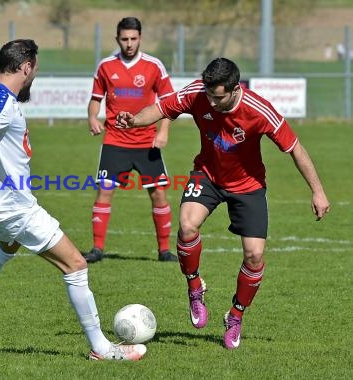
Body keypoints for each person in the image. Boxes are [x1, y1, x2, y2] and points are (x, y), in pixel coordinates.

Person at [0, 39, 146, 361]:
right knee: (75, 264)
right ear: (26, 67)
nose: (35, 76)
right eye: (35, 70)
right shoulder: (1, 100)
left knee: (7, 248)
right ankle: (102, 348)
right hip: (13, 206)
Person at [115, 57, 330, 349]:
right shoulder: (198, 93)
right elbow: (161, 107)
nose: (212, 104)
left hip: (248, 186)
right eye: (209, 96)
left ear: (233, 89)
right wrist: (134, 120)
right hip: (207, 175)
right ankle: (195, 288)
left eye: (218, 98)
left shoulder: (259, 110)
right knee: (187, 225)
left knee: (254, 256)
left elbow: (295, 148)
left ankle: (235, 316)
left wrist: (317, 191)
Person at [83, 17, 177, 263]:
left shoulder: (154, 66)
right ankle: (97, 249)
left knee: (158, 194)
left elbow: (169, 103)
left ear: (140, 38)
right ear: (117, 39)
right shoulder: (105, 66)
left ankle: (164, 250)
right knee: (104, 191)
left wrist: (163, 131)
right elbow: (95, 98)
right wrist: (93, 117)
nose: (129, 44)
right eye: (124, 39)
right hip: (115, 140)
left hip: (147, 142)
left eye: (133, 38)